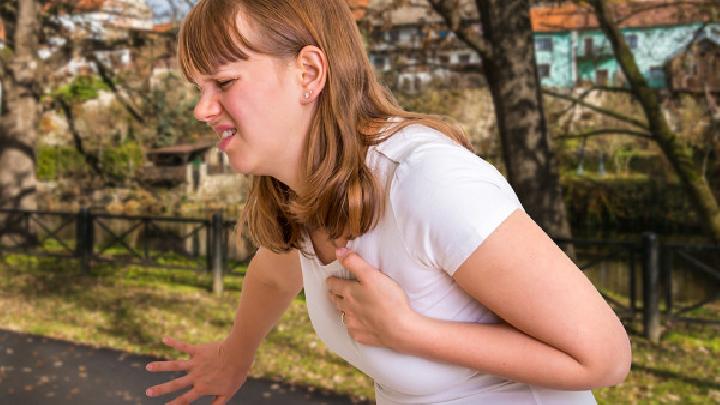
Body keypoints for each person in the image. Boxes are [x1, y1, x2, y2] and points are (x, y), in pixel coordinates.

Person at [144, 0, 632, 404]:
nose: (201, 109)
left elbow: (604, 357)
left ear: (308, 72)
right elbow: (273, 274)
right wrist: (234, 356)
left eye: (224, 83)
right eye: (199, 88)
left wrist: (410, 332)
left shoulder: (428, 181)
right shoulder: (310, 191)